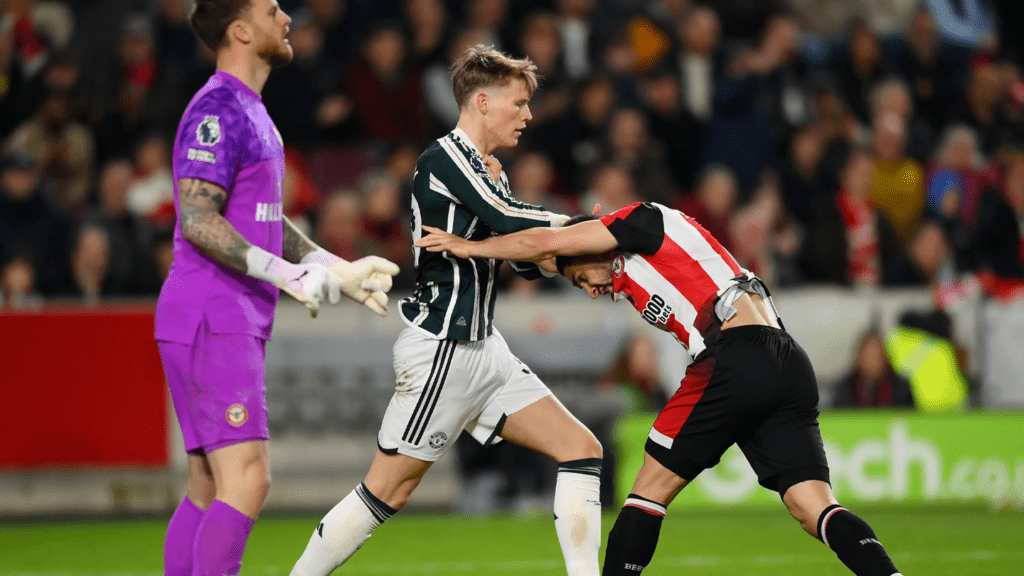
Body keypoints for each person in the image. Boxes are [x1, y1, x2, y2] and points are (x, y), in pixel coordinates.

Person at [416, 201, 904, 576]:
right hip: (786, 360)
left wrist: (470, 247)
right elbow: (549, 241)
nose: (589, 289)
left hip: (735, 353)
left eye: (579, 276)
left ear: (587, 246)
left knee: (647, 491)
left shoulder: (640, 221)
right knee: (810, 504)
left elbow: (546, 240)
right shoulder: (630, 269)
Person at [290, 45, 604, 576]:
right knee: (387, 489)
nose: (528, 115)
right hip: (443, 351)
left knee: (581, 448)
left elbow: (520, 256)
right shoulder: (445, 159)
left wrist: (572, 266)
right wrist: (588, 230)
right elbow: (507, 218)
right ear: (483, 101)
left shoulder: (488, 169)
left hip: (487, 350)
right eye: (519, 103)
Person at [154, 2, 399, 575]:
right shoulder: (217, 109)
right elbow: (198, 220)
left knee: (209, 487)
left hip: (214, 314)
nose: (287, 17)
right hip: (213, 313)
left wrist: (331, 266)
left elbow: (258, 218)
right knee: (248, 480)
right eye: (272, 9)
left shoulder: (250, 109)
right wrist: (288, 276)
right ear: (240, 30)